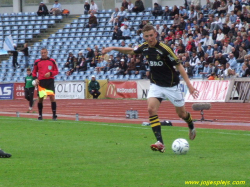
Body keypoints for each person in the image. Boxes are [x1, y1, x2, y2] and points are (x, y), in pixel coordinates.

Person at [102, 25, 199, 153]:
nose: (149, 38)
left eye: (151, 35)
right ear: (144, 37)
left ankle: (191, 125)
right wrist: (113, 48)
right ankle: (160, 143)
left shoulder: (165, 49)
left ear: (155, 35)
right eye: (147, 36)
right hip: (156, 85)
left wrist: (190, 86)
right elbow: (131, 51)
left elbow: (179, 66)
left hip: (171, 86)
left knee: (181, 114)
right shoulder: (144, 47)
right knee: (150, 109)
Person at [32, 48, 59, 120]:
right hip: (41, 82)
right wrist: (36, 78)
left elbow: (56, 71)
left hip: (50, 81)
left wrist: (50, 73)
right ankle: (40, 115)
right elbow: (34, 72)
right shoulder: (37, 62)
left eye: (44, 53)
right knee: (40, 99)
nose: (43, 54)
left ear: (47, 53)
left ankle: (54, 115)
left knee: (52, 97)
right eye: (42, 53)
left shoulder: (52, 61)